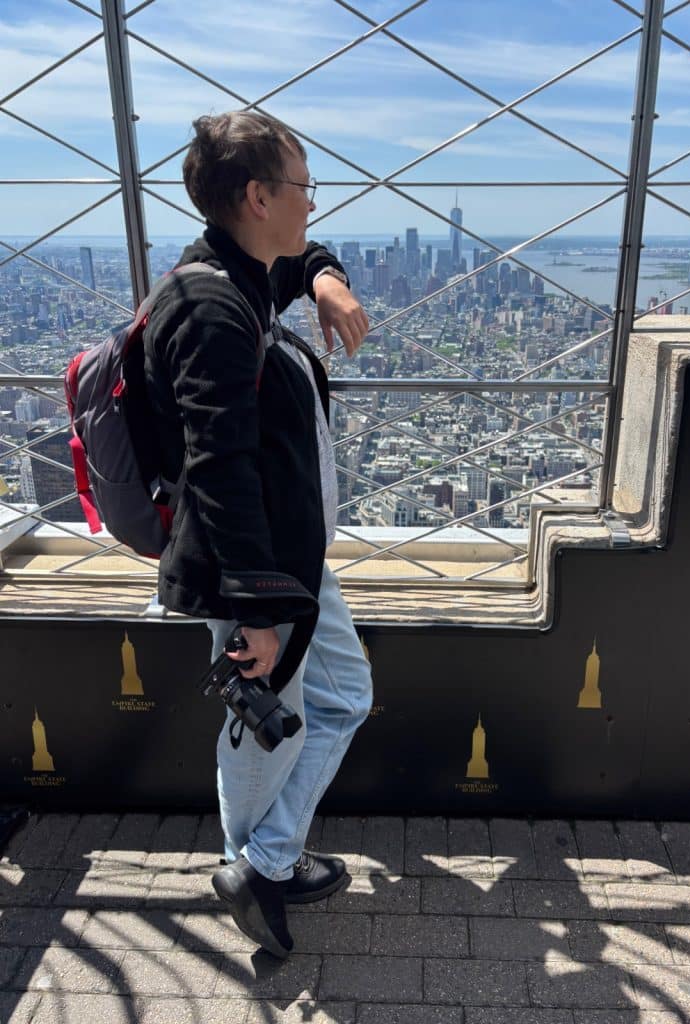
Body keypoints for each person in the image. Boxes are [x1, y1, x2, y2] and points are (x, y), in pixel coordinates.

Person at [143, 110, 373, 958]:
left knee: (343, 698)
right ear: (256, 195)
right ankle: (259, 864)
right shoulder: (209, 306)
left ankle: (263, 862)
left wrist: (326, 280)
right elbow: (220, 466)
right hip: (258, 571)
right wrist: (257, 613)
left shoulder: (240, 277)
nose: (312, 205)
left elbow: (304, 259)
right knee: (270, 719)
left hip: (291, 560)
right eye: (305, 187)